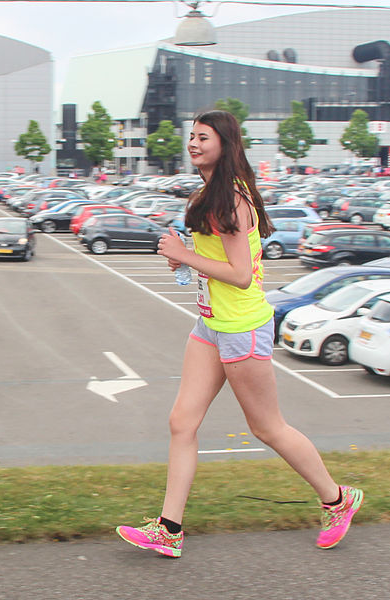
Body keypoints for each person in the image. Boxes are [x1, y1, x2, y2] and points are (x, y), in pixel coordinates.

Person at [116, 110, 363, 558]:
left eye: (203, 137)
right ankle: (168, 529)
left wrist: (184, 256)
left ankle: (337, 499)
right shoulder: (210, 193)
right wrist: (185, 255)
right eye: (191, 136)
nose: (193, 143)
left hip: (242, 329)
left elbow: (242, 275)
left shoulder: (231, 199)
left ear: (224, 145)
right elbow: (219, 258)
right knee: (181, 423)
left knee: (267, 428)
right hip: (211, 326)